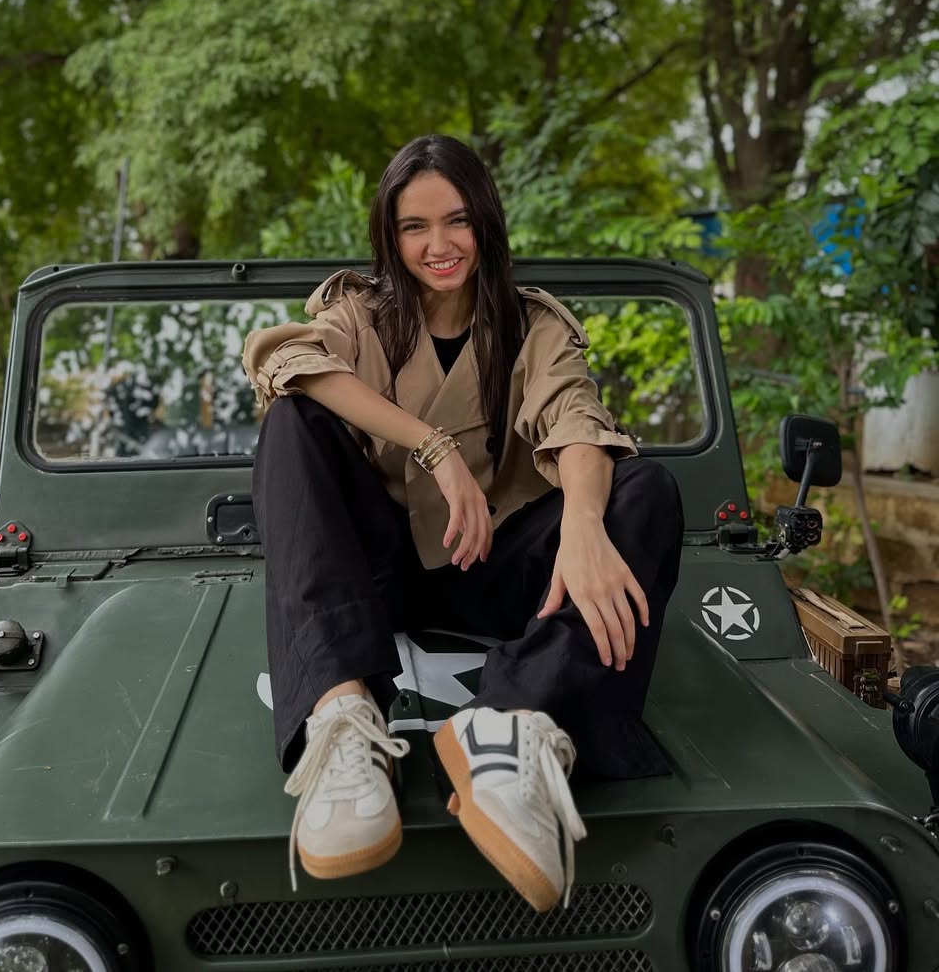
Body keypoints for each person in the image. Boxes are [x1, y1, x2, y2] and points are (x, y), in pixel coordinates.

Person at [242, 134, 684, 912]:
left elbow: (576, 418)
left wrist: (583, 525)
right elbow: (286, 362)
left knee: (645, 488)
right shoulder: (363, 315)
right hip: (378, 574)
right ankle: (343, 718)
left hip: (498, 569)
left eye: (456, 220)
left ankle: (512, 724)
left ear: (485, 220)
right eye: (414, 226)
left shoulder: (530, 324)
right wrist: (434, 447)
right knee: (291, 421)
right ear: (391, 236)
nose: (438, 245)